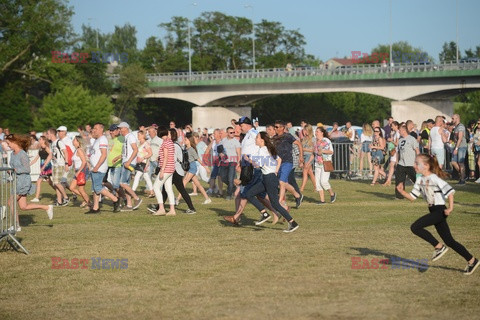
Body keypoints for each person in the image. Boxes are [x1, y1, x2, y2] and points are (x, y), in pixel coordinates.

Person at [397, 154, 479, 275]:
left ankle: (439, 247)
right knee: (450, 241)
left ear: (426, 165)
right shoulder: (420, 179)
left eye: (416, 163)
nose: (414, 165)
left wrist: (450, 208)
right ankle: (472, 260)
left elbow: (450, 192)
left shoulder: (434, 178)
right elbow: (412, 197)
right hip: (433, 211)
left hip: (441, 211)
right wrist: (402, 191)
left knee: (415, 227)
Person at [244, 132, 299, 232]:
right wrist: (276, 171)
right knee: (249, 194)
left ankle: (292, 223)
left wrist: (248, 160)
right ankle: (264, 214)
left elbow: (257, 165)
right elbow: (279, 159)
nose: (255, 139)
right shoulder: (267, 149)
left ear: (262, 140)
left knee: (275, 204)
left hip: (269, 178)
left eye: (257, 138)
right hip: (268, 178)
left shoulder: (262, 150)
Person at [5, 134, 53, 231]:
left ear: (15, 142)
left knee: (11, 202)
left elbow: (27, 169)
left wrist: (15, 169)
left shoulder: (22, 154)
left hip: (23, 182)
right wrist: (10, 170)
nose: (8, 145)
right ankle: (46, 207)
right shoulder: (12, 154)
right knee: (23, 206)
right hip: (16, 181)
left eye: (9, 143)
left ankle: (16, 225)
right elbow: (14, 167)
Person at [86, 123, 121, 214]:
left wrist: (97, 166)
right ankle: (96, 208)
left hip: (99, 168)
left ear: (101, 129)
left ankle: (115, 199)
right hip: (95, 168)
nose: (94, 130)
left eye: (96, 128)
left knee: (98, 188)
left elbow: (104, 154)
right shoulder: (97, 140)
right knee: (95, 189)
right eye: (93, 128)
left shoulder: (102, 139)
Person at [272, 120, 304, 209]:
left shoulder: (288, 136)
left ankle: (279, 202)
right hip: (278, 163)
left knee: (282, 182)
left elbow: (299, 144)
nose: (275, 128)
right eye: (275, 127)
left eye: (277, 127)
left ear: (282, 128)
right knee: (283, 183)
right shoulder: (274, 138)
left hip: (287, 162)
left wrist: (301, 157)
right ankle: (297, 195)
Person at [151, 126, 177, 216]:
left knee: (156, 187)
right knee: (168, 189)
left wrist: (162, 170)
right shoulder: (170, 142)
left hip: (166, 169)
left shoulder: (165, 143)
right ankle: (172, 210)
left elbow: (166, 157)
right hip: (171, 168)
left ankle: (161, 208)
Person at [118, 122, 142, 210]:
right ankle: (129, 205)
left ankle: (136, 198)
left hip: (129, 163)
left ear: (126, 128)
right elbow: (126, 152)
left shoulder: (130, 137)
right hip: (126, 162)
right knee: (126, 184)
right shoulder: (126, 138)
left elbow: (135, 150)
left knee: (122, 183)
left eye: (121, 128)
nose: (120, 130)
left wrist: (128, 161)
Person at [395, 125, 420, 199]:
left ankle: (425, 191)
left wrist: (418, 161)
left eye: (400, 130)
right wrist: (397, 161)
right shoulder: (400, 140)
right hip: (401, 163)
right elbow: (398, 152)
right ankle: (399, 196)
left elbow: (417, 150)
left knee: (415, 179)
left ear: (404, 130)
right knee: (399, 180)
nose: (399, 132)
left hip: (410, 163)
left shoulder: (412, 139)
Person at [46, 128, 69, 206]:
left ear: (52, 134)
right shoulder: (52, 143)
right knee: (56, 183)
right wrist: (45, 165)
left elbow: (66, 153)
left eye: (48, 134)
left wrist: (66, 163)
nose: (47, 135)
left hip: (60, 164)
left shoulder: (59, 142)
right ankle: (59, 201)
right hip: (55, 165)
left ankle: (66, 197)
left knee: (56, 183)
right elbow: (51, 155)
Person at [314, 127, 336, 204]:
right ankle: (322, 200)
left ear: (322, 133)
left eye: (317, 131)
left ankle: (332, 193)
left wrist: (322, 151)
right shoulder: (316, 142)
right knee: (317, 183)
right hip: (317, 163)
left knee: (323, 181)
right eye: (316, 131)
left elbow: (331, 151)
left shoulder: (326, 141)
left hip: (325, 163)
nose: (316, 133)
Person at [218, 126, 241, 200]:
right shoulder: (223, 141)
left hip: (233, 162)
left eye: (233, 132)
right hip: (224, 162)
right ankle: (233, 187)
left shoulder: (236, 141)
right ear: (227, 133)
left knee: (231, 179)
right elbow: (220, 150)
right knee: (223, 177)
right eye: (231, 132)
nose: (233, 134)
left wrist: (238, 163)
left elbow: (238, 153)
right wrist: (220, 154)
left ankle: (229, 194)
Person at [30, 136, 54, 202]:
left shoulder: (46, 147)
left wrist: (45, 164)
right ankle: (60, 192)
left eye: (40, 139)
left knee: (38, 182)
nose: (39, 140)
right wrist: (29, 164)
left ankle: (37, 198)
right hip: (42, 165)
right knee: (50, 183)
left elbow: (51, 155)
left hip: (46, 166)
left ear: (43, 140)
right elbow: (36, 158)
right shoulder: (40, 148)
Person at [69, 136, 90, 208]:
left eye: (74, 140)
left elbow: (84, 162)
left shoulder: (79, 150)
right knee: (72, 188)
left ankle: (89, 204)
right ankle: (86, 200)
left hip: (82, 171)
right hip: (77, 170)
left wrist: (78, 172)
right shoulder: (76, 150)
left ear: (78, 142)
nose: (73, 141)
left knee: (81, 189)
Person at [131, 130, 154, 197]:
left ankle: (132, 192)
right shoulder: (138, 143)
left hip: (144, 163)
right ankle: (152, 191)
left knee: (137, 177)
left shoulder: (146, 144)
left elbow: (150, 153)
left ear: (143, 135)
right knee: (146, 177)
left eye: (139, 135)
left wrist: (143, 158)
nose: (138, 136)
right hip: (139, 162)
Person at [450, 114, 468, 184]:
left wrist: (456, 148)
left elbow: (460, 138)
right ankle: (463, 175)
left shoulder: (461, 126)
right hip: (457, 146)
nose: (452, 120)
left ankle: (462, 179)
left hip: (461, 147)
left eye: (453, 118)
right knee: (453, 162)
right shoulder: (456, 127)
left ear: (457, 118)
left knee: (461, 163)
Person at [383, 121, 400, 186]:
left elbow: (397, 143)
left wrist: (391, 140)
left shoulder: (398, 133)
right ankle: (389, 180)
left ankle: (389, 180)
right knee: (392, 165)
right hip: (394, 151)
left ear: (396, 126)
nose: (391, 127)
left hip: (396, 151)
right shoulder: (395, 133)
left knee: (393, 165)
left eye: (392, 125)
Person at [300, 124, 316, 192]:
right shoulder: (303, 139)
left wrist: (304, 149)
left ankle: (302, 188)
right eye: (304, 130)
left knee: (305, 171)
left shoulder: (313, 139)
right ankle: (316, 186)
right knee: (310, 172)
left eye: (306, 130)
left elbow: (314, 150)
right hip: (304, 156)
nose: (305, 132)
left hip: (309, 156)